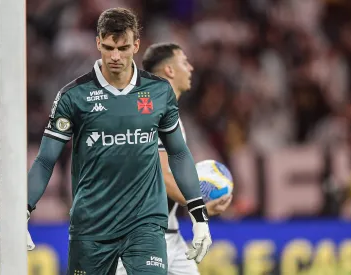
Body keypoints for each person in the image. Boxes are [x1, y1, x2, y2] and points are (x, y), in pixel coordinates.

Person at [26, 8, 212, 275]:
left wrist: (199, 216)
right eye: (109, 47)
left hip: (145, 225)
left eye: (123, 48)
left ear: (136, 45)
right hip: (91, 227)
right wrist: (25, 210)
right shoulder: (74, 96)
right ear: (98, 42)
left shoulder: (158, 92)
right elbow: (45, 160)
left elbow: (179, 154)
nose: (115, 56)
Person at [116, 43, 233, 275]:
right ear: (169, 70)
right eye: (184, 62)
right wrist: (201, 206)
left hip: (168, 234)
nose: (190, 68)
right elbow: (160, 174)